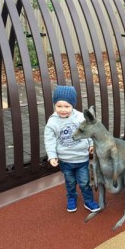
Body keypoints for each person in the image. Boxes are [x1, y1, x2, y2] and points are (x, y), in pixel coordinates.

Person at [44, 85, 100, 213]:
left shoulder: (80, 117)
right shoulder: (52, 122)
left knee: (85, 182)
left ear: (73, 105)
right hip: (65, 160)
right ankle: (71, 197)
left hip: (81, 158)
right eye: (59, 106)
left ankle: (88, 200)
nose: (63, 110)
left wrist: (91, 144)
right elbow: (50, 139)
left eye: (67, 106)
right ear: (54, 105)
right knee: (70, 182)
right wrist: (52, 155)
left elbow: (89, 130)